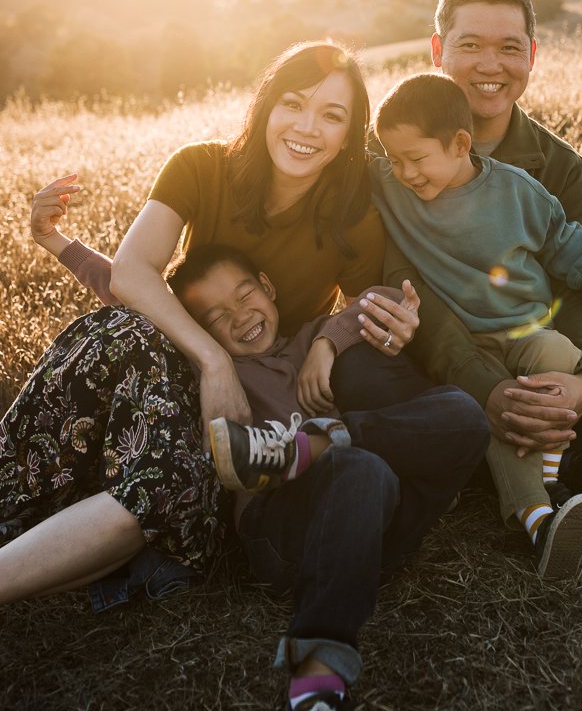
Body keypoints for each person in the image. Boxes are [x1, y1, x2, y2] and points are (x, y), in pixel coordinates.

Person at [0, 43, 426, 609]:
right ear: (266, 106)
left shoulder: (351, 214)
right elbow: (132, 274)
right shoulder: (202, 166)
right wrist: (213, 361)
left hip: (249, 405)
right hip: (180, 359)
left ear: (351, 133)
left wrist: (328, 339)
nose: (307, 127)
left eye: (332, 115)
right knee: (120, 333)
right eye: (292, 104)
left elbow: (366, 305)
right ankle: (13, 491)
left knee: (162, 482)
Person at [42, 239, 489, 711]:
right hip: (283, 532)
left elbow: (390, 299)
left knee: (465, 415)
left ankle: (312, 445)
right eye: (214, 317)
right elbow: (129, 290)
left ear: (269, 288)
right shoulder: (211, 370)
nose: (238, 317)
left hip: (380, 526)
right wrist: (58, 243)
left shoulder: (313, 341)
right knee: (361, 468)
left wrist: (326, 343)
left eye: (245, 294)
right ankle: (319, 668)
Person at [381, 0, 582, 527]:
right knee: (367, 376)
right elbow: (403, 284)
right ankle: (567, 467)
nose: (490, 65)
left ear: (532, 55)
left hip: (529, 350)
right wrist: (485, 387)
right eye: (470, 44)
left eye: (509, 47)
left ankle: (488, 455)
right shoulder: (392, 155)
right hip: (437, 358)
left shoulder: (558, 169)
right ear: (438, 50)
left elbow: (579, 288)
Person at [372, 71, 582, 576]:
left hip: (527, 333)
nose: (406, 173)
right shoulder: (393, 187)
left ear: (461, 144)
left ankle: (548, 479)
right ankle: (540, 520)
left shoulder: (517, 191)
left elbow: (565, 240)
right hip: (469, 344)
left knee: (560, 359)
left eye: (416, 159)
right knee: (496, 403)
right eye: (393, 159)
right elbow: (351, 167)